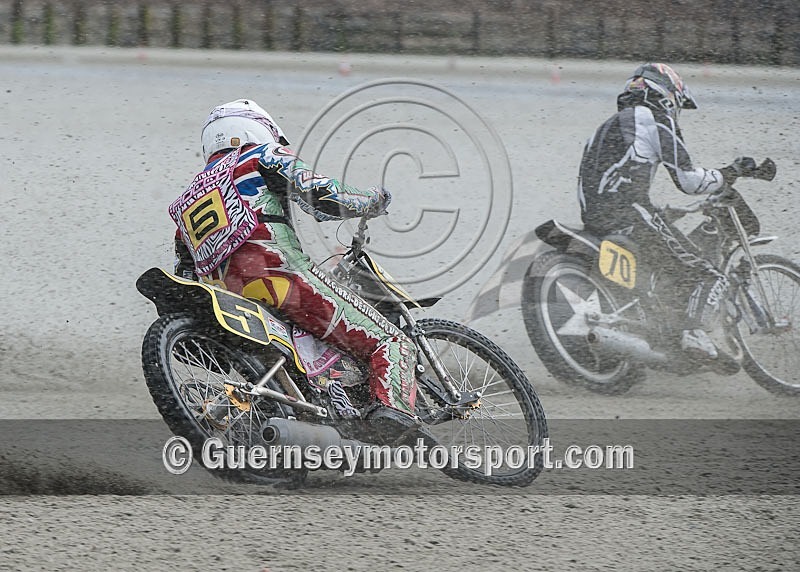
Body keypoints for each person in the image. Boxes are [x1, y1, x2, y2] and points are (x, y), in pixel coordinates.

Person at [169, 98, 420, 444]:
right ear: (255, 129)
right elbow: (324, 194)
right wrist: (372, 200)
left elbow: (184, 266)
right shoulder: (259, 156)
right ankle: (394, 417)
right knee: (391, 340)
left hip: (225, 299)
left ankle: (320, 406)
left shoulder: (186, 200)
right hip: (279, 277)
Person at [576, 63, 755, 359]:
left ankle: (660, 326)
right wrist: (732, 171)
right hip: (628, 214)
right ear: (667, 95)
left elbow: (609, 180)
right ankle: (693, 333)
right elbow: (690, 181)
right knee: (708, 274)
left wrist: (662, 213)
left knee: (668, 260)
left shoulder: (608, 125)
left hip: (597, 219)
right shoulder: (655, 119)